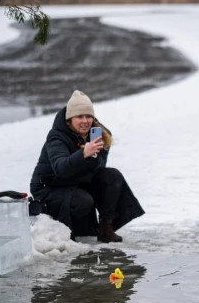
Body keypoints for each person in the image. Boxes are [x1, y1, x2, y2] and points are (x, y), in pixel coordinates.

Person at [30, 90, 144, 242]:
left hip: (76, 181)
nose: (85, 121)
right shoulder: (56, 136)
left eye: (88, 116)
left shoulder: (99, 135)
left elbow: (98, 169)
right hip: (50, 186)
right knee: (83, 201)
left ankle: (105, 229)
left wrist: (93, 155)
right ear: (70, 119)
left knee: (112, 176)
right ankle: (64, 231)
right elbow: (61, 169)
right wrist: (83, 154)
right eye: (79, 116)